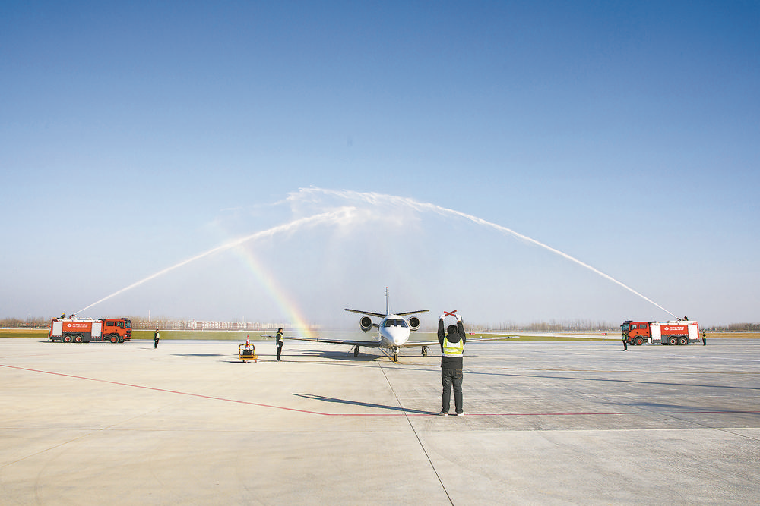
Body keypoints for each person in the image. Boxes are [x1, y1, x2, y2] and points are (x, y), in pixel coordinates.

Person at [438, 313, 466, 416]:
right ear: (457, 331)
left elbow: (440, 333)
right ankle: (459, 411)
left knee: (446, 390)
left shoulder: (444, 340)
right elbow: (462, 333)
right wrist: (459, 321)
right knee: (458, 389)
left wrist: (441, 320)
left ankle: (445, 411)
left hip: (446, 369)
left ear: (447, 332)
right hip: (458, 368)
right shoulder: (461, 341)